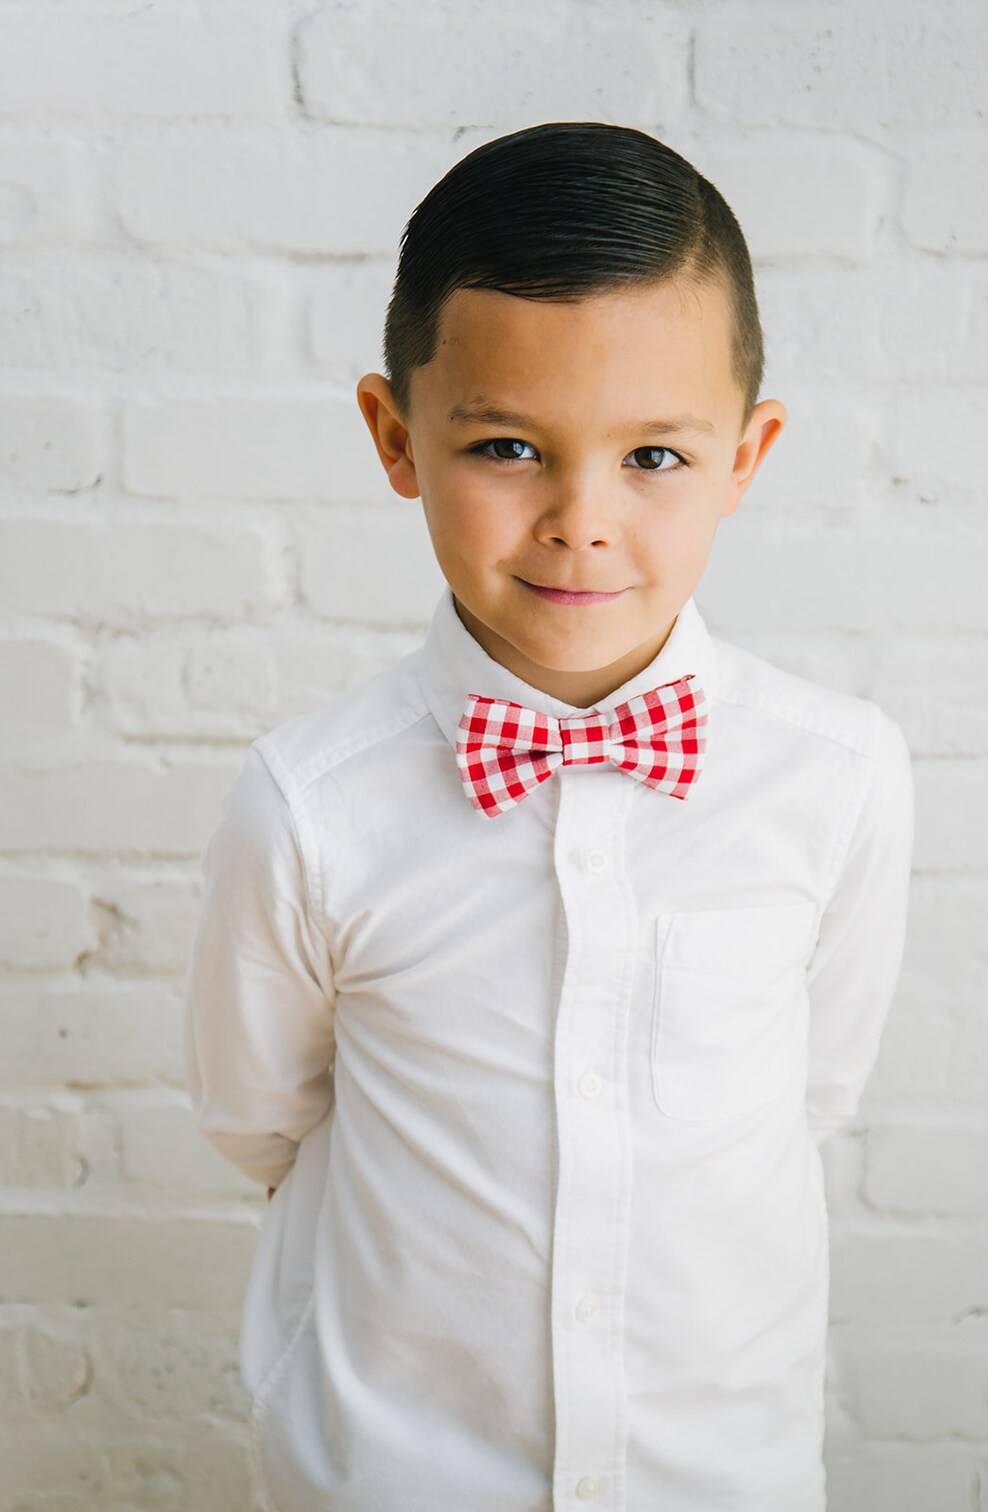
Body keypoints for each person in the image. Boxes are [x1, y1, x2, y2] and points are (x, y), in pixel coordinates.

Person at [184, 120, 914, 1512]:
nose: (582, 519)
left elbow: (812, 1092)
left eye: (655, 457)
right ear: (396, 437)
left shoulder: (840, 776)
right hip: (396, 1476)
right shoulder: (309, 807)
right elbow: (260, 1120)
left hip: (720, 1476)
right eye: (510, 445)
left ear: (747, 455)